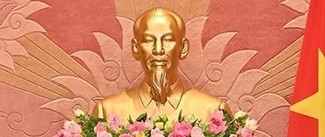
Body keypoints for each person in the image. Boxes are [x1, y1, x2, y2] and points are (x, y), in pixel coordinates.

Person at [93, 7, 229, 121]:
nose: (158, 50)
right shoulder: (106, 112)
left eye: (168, 40)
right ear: (135, 48)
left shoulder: (214, 111)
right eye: (148, 40)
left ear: (183, 48)